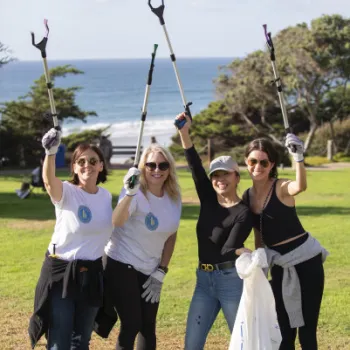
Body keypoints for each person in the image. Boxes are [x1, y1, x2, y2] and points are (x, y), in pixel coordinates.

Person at [28, 127, 113, 349]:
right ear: (74, 167)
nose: (88, 165)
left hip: (92, 275)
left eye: (93, 161)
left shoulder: (105, 197)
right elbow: (48, 181)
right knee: (59, 340)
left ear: (101, 165)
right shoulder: (66, 191)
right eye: (81, 161)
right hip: (62, 273)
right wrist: (51, 152)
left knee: (81, 340)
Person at [175, 113, 253, 350]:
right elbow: (194, 166)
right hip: (203, 281)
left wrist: (238, 249)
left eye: (225, 174)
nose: (220, 180)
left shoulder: (243, 212)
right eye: (216, 176)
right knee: (192, 345)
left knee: (242, 343)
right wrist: (184, 132)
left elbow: (227, 249)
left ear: (237, 176)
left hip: (229, 282)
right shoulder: (208, 200)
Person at [243, 134, 328, 350]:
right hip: (279, 265)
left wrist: (298, 156)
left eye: (264, 162)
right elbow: (258, 233)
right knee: (283, 331)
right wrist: (260, 260)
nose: (258, 166)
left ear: (272, 164)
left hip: (307, 262)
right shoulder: (247, 196)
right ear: (246, 162)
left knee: (307, 331)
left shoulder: (280, 187)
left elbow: (299, 186)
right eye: (253, 161)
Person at [103, 143, 182, 350]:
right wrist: (128, 194)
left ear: (169, 169)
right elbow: (116, 221)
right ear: (143, 167)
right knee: (131, 324)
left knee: (148, 326)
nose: (157, 170)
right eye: (151, 165)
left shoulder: (174, 196)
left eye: (163, 165)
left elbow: (171, 235)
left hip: (151, 269)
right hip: (121, 263)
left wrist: (162, 270)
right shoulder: (135, 192)